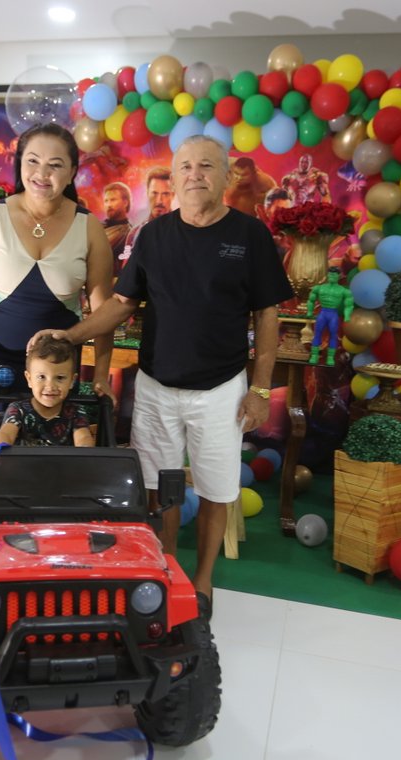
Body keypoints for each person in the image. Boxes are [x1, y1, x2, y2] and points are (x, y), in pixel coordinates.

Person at [31, 135, 294, 614]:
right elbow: (121, 304)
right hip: (156, 385)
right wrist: (70, 336)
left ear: (225, 176)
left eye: (207, 166)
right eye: (186, 167)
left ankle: (204, 581)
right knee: (159, 487)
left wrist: (259, 388)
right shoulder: (152, 236)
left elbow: (267, 316)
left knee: (216, 490)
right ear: (173, 179)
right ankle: (166, 569)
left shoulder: (250, 235)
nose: (195, 175)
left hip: (221, 388)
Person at [0, 122, 114, 400]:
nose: (42, 173)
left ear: (72, 172)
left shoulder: (89, 228)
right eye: (33, 161)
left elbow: (103, 313)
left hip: (56, 375)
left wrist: (101, 375)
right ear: (20, 164)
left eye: (55, 165)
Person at [0, 334, 93, 447]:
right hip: (24, 459)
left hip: (63, 459)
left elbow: (83, 437)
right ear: (29, 379)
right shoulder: (18, 409)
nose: (50, 386)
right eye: (41, 377)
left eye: (60, 378)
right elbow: (6, 434)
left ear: (72, 381)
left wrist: (85, 448)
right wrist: (0, 449)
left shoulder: (75, 412)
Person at [119, 166, 173, 262]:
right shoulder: (134, 234)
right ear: (147, 193)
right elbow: (127, 269)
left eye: (165, 194)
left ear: (173, 195)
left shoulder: (184, 231)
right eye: (154, 193)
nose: (159, 200)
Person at [306, 267, 354, 366]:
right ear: (327, 275)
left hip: (333, 314)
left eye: (334, 274)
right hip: (323, 313)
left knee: (333, 335)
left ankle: (330, 357)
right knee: (317, 334)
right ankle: (314, 355)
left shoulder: (343, 291)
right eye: (330, 274)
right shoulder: (319, 288)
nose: (332, 276)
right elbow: (311, 300)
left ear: (339, 276)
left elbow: (349, 304)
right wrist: (310, 311)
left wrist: (347, 315)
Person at [100, 182, 133, 274]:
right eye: (106, 201)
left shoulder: (130, 233)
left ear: (125, 203)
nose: (109, 205)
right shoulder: (96, 226)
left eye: (113, 200)